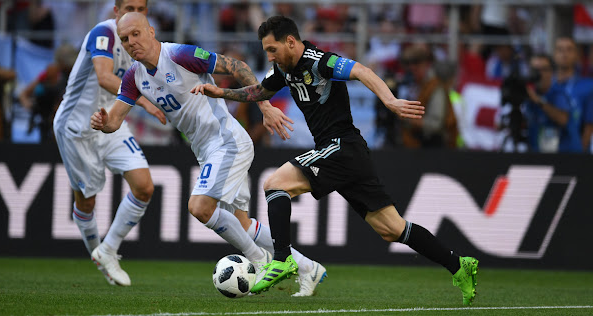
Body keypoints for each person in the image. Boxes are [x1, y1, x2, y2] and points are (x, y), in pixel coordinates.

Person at [191, 16, 479, 305]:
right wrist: (221, 92)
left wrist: (390, 101)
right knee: (392, 228)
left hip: (341, 146)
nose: (269, 56)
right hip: (348, 154)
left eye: (272, 49)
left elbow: (362, 71)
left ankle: (282, 259)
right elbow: (259, 92)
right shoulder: (283, 67)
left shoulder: (320, 61)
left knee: (275, 184)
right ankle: (459, 265)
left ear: (290, 42)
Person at [91, 12, 326, 297]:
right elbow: (114, 119)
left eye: (136, 34)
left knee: (199, 207)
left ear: (151, 32)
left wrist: (264, 107)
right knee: (241, 224)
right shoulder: (133, 77)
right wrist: (104, 124)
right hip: (206, 150)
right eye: (125, 39)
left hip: (227, 142)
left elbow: (237, 66)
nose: (131, 43)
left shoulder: (179, 55)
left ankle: (259, 261)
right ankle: (308, 268)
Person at [53, 0, 166, 287]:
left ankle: (108, 250)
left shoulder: (144, 40)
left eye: (141, 8)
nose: (135, 13)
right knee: (87, 200)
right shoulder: (101, 33)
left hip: (112, 121)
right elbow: (104, 76)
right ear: (115, 11)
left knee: (144, 187)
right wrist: (144, 102)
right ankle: (97, 253)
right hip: (77, 128)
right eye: (129, 7)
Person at [524, 54, 578, 153]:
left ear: (551, 72)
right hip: (536, 154)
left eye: (544, 69)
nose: (539, 74)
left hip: (564, 156)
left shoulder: (558, 93)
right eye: (535, 70)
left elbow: (563, 119)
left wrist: (538, 101)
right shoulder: (528, 95)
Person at [552, 37, 593, 152]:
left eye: (569, 50)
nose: (564, 54)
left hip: (573, 153)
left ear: (577, 55)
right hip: (544, 150)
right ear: (554, 54)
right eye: (560, 50)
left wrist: (580, 154)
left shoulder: (588, 86)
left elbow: (589, 125)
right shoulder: (546, 85)